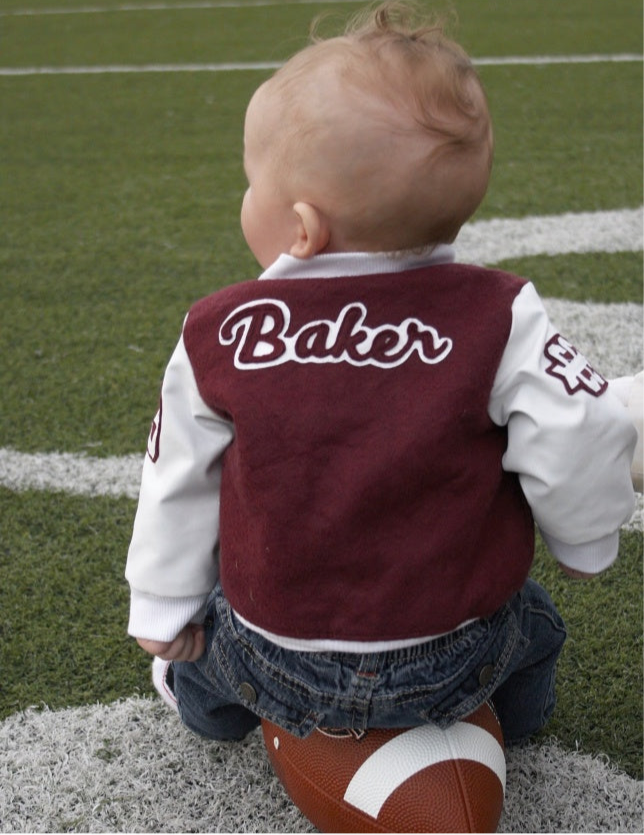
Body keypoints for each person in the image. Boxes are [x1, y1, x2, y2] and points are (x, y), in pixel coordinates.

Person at [125, 2, 638, 746]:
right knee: (537, 630)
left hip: (276, 650)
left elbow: (175, 470)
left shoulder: (219, 329)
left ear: (303, 226)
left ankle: (199, 701)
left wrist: (161, 606)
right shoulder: (500, 312)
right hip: (454, 650)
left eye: (248, 182)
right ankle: (512, 724)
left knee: (208, 658)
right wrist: (586, 542)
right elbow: (580, 428)